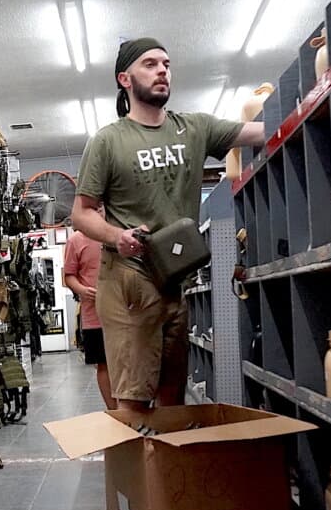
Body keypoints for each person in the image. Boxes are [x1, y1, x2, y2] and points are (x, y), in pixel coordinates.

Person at [71, 38, 264, 410]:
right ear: (124, 78)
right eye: (150, 64)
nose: (162, 70)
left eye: (166, 63)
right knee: (133, 401)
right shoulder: (108, 141)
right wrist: (117, 236)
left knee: (173, 398)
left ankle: (167, 469)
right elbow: (82, 213)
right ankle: (135, 468)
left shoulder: (194, 128)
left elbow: (256, 132)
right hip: (130, 280)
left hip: (176, 280)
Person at [63, 229, 115, 409]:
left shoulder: (118, 232)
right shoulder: (76, 240)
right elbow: (69, 275)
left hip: (126, 312)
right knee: (103, 363)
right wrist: (82, 290)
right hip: (94, 314)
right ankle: (115, 413)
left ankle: (131, 410)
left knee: (130, 363)